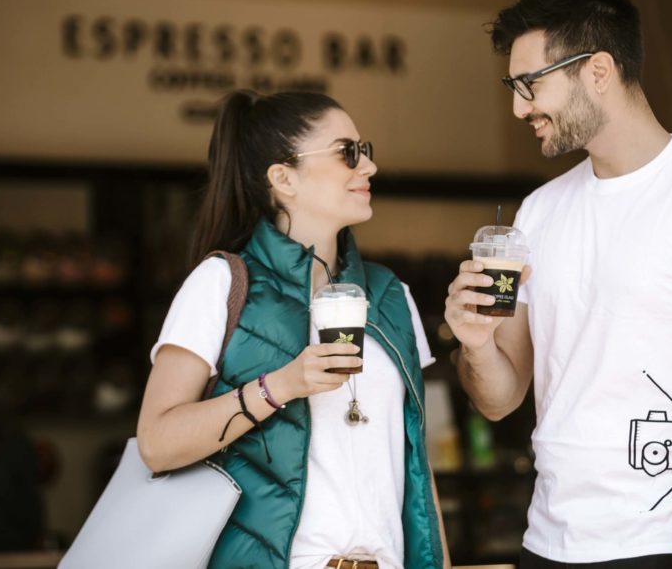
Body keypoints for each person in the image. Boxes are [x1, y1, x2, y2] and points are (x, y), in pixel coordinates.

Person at [444, 0, 672, 568]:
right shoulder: (540, 212)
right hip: (548, 542)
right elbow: (500, 399)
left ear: (597, 70)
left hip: (667, 546)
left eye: (530, 84)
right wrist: (474, 345)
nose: (519, 107)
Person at [137, 90, 448, 569]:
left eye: (365, 152)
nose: (367, 168)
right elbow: (157, 443)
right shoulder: (221, 283)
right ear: (284, 179)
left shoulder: (390, 294)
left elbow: (416, 466)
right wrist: (284, 384)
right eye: (347, 153)